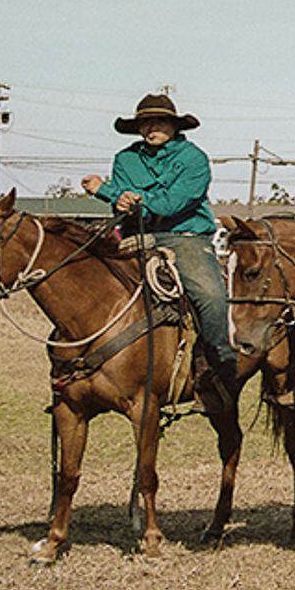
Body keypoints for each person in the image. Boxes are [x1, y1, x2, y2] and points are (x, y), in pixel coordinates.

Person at [80, 92, 237, 399]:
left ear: (175, 126)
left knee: (210, 294)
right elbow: (123, 205)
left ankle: (217, 366)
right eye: (144, 122)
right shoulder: (125, 159)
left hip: (185, 237)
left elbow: (171, 203)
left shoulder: (194, 159)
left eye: (160, 121)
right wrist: (118, 198)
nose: (152, 127)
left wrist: (108, 192)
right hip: (134, 238)